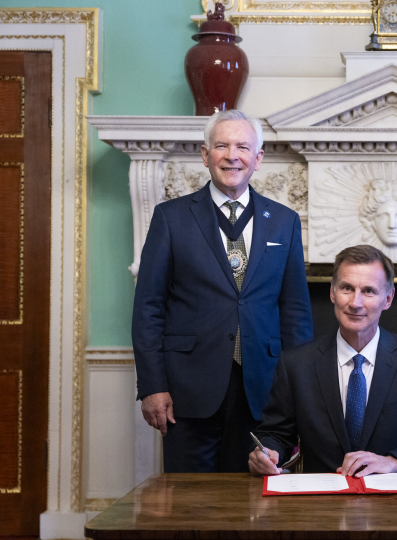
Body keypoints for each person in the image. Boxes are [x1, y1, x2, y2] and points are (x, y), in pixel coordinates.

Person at [132, 109, 313, 473]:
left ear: (258, 158)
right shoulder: (171, 217)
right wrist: (152, 385)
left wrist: (300, 393)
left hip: (264, 389)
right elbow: (149, 307)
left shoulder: (284, 221)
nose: (233, 155)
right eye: (222, 146)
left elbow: (295, 311)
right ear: (205, 155)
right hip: (188, 389)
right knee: (189, 502)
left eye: (243, 146)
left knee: (253, 504)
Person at [249, 245, 397, 477]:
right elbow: (275, 434)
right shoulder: (296, 364)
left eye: (368, 291)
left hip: (395, 503)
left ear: (388, 298)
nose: (355, 303)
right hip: (320, 503)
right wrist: (267, 453)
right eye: (347, 288)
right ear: (332, 293)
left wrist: (392, 462)